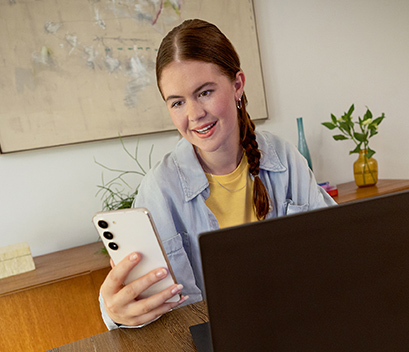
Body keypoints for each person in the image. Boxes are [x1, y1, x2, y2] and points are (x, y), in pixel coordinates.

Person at [98, 19, 336, 329]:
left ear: (237, 85)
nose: (194, 114)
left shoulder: (285, 159)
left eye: (205, 92)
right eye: (177, 102)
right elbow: (135, 300)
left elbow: (337, 245)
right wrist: (116, 313)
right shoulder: (158, 189)